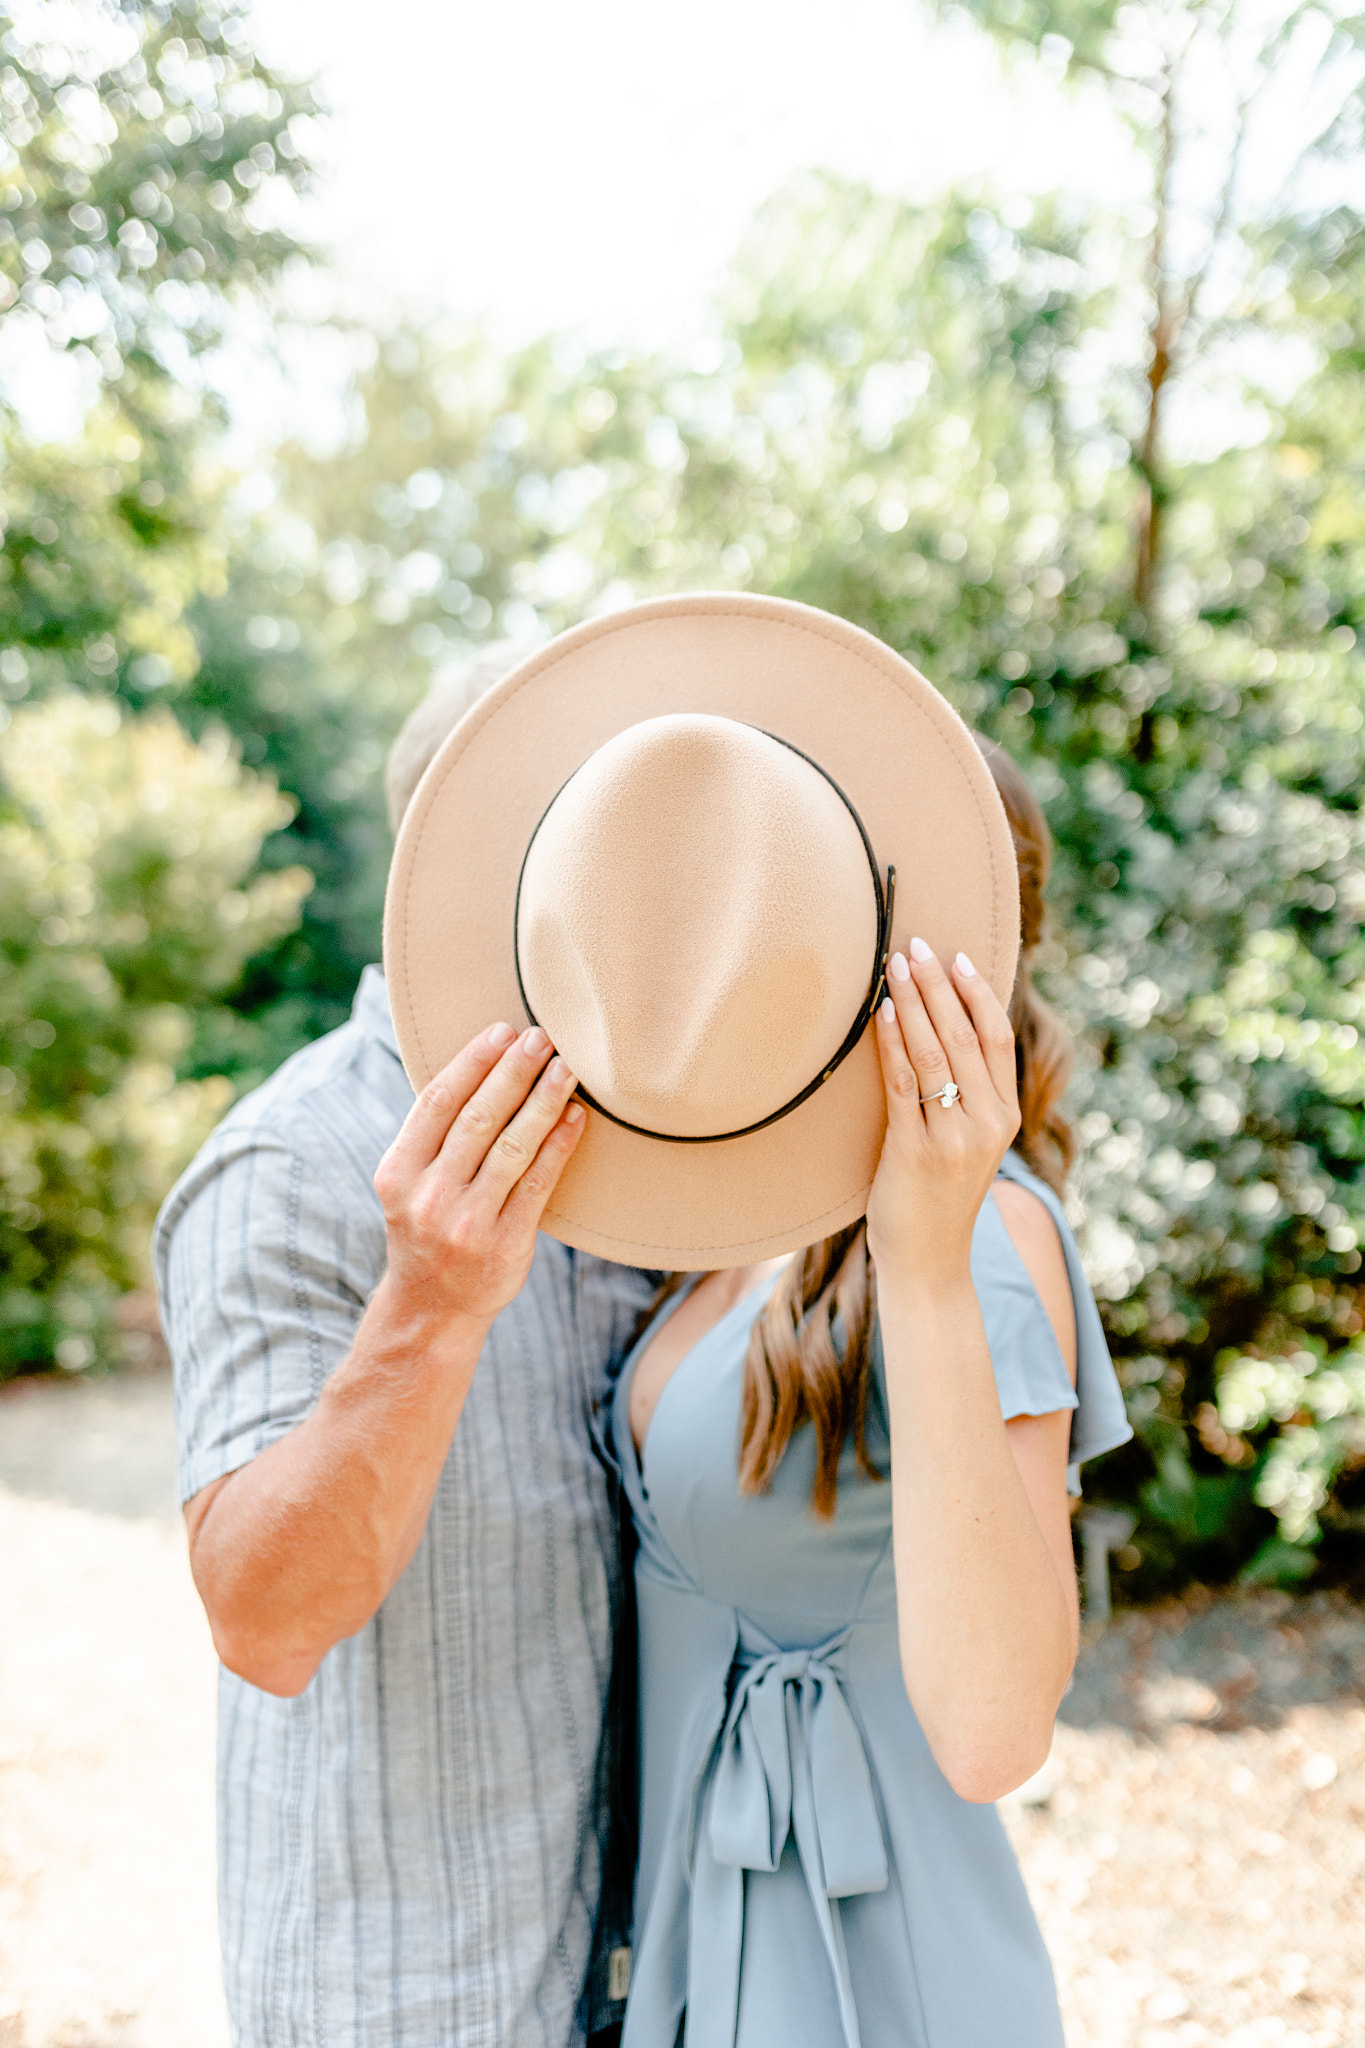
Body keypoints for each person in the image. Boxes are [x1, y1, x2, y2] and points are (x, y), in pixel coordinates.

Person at [384, 593, 1132, 2048]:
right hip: (695, 1942)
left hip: (866, 1971)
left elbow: (993, 1735)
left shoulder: (982, 1240)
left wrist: (920, 1259)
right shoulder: (710, 1228)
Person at [154, 644, 655, 2048]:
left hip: (637, 1984)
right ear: (455, 874)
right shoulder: (285, 1164)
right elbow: (262, 1618)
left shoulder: (654, 1151)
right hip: (405, 2000)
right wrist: (431, 1302)